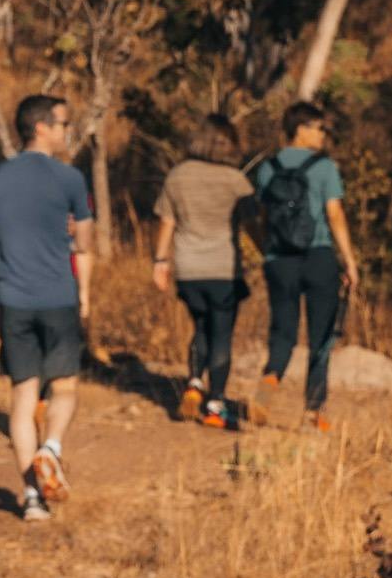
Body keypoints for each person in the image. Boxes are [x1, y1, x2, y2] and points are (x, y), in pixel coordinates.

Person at [0, 94, 93, 522]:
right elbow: (85, 242)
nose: (68, 131)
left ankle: (31, 497)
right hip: (57, 295)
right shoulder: (70, 178)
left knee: (22, 395)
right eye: (64, 124)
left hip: (13, 297)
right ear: (42, 127)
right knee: (63, 387)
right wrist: (84, 293)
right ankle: (50, 448)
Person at [253, 101, 361, 432]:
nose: (323, 134)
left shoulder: (267, 167)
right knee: (321, 336)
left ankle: (268, 383)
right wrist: (349, 260)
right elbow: (335, 215)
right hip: (318, 257)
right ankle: (314, 412)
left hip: (279, 259)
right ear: (300, 129)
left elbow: (260, 217)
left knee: (283, 331)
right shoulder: (325, 167)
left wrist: (266, 250)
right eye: (319, 128)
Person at [152, 114, 256, 428]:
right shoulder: (236, 180)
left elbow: (167, 221)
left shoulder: (178, 175)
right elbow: (253, 222)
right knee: (221, 333)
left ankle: (195, 382)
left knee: (200, 326)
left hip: (188, 268)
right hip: (223, 268)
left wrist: (160, 261)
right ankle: (215, 404)